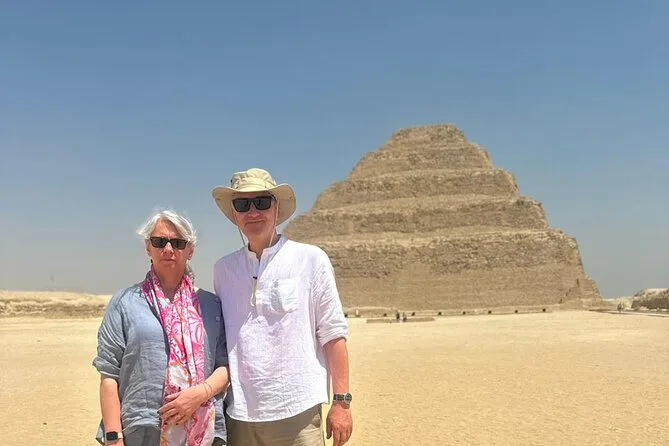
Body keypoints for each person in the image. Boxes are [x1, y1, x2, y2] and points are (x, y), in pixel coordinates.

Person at [211, 168, 353, 446]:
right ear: (234, 214)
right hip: (241, 415)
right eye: (242, 204)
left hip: (298, 411)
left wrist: (341, 402)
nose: (253, 212)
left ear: (276, 208)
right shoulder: (223, 270)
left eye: (262, 202)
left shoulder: (310, 259)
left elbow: (333, 334)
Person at [93, 210, 230, 445]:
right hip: (142, 428)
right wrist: (113, 437)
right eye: (159, 241)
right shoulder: (125, 302)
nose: (168, 249)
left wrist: (200, 393)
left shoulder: (211, 305)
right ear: (148, 247)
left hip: (202, 428)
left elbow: (225, 365)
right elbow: (109, 374)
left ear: (190, 250)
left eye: (177, 243)